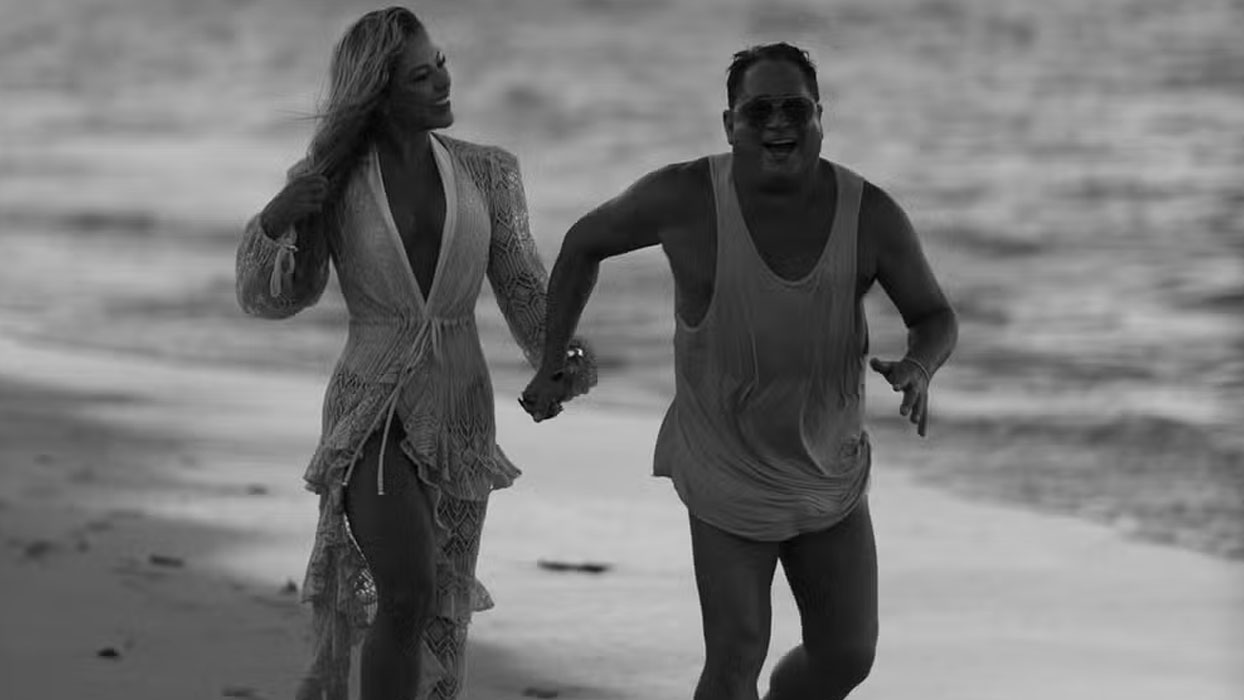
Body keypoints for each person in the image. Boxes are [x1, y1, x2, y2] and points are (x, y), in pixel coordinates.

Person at [521, 42, 957, 700]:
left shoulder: (871, 215)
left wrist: (921, 366)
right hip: (724, 462)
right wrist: (552, 358)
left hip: (828, 467)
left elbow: (934, 315)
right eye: (759, 110)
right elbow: (585, 242)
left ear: (820, 118)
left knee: (846, 655)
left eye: (795, 108)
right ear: (730, 124)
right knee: (735, 656)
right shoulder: (685, 197)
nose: (778, 123)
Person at [234, 7, 595, 700]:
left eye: (442, 65)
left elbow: (524, 287)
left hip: (461, 405)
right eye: (421, 76)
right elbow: (274, 298)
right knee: (407, 590)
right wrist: (278, 216)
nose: (443, 83)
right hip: (372, 402)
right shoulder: (331, 178)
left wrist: (561, 361)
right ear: (380, 92)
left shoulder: (489, 173)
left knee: (438, 611)